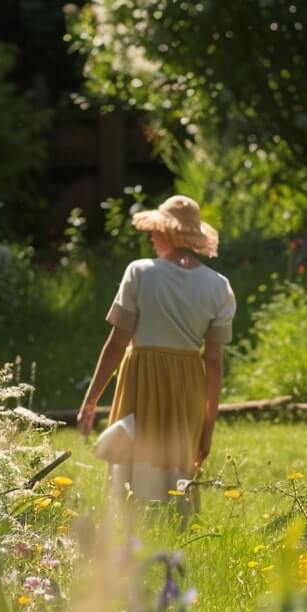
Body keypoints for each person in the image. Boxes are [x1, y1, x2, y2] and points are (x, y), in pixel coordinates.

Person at [78, 195, 235, 507]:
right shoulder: (219, 286)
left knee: (133, 457)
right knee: (177, 458)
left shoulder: (140, 272)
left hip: (141, 375)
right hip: (189, 381)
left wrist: (91, 400)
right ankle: (176, 521)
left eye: (155, 230)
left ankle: (130, 520)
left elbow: (117, 342)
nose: (150, 237)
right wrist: (208, 426)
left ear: (169, 232)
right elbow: (214, 362)